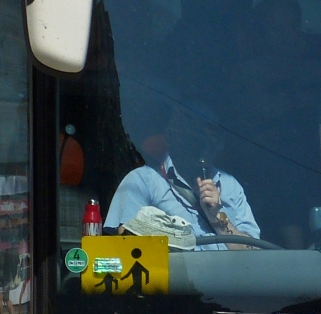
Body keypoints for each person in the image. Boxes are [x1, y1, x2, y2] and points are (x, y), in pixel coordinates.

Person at [105, 99, 260, 251]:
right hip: (176, 276)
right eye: (194, 141)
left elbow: (254, 256)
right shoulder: (142, 181)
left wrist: (218, 217)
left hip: (232, 277)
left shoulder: (230, 185)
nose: (202, 150)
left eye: (210, 141)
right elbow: (125, 248)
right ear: (176, 138)